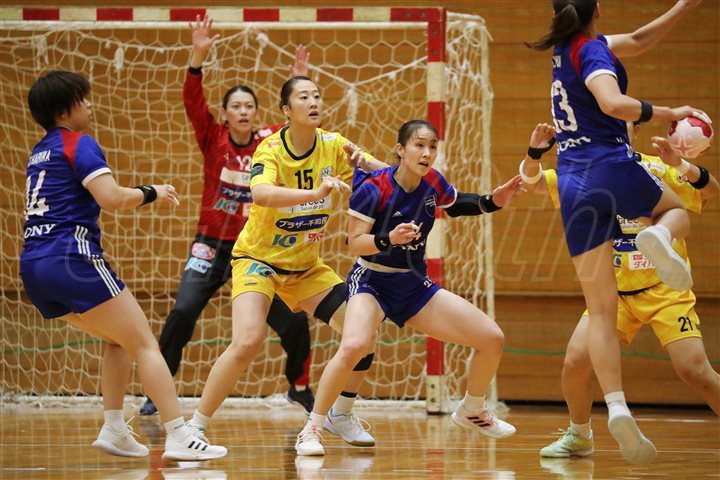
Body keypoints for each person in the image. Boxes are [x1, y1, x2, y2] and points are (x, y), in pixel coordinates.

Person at [525, 0, 706, 464]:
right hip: (608, 164)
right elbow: (611, 102)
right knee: (674, 211)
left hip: (573, 181)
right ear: (599, 8)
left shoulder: (566, 49)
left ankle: (617, 406)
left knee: (600, 312)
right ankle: (659, 237)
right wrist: (669, 110)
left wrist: (682, 7)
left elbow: (640, 40)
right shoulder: (591, 50)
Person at [19, 70, 226, 461]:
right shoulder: (78, 144)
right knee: (145, 342)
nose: (90, 104)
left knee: (118, 339)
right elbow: (110, 198)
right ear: (65, 109)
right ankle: (179, 434)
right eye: (83, 99)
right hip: (71, 258)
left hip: (33, 265)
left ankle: (114, 428)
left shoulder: (38, 153)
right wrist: (152, 192)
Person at [295, 119, 524, 456]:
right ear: (401, 150)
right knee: (355, 344)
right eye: (419, 145)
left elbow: (456, 203)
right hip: (371, 282)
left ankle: (472, 409)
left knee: (492, 338)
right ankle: (313, 428)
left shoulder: (433, 182)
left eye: (432, 146)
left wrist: (492, 201)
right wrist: (389, 238)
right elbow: (355, 243)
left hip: (414, 285)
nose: (427, 153)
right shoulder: (373, 189)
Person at [185, 74, 389, 449]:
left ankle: (341, 415)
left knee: (363, 334)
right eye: (304, 97)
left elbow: (385, 177)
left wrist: (378, 166)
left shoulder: (334, 145)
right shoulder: (270, 149)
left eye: (317, 96)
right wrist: (314, 192)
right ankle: (194, 427)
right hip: (258, 260)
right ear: (285, 110)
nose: (313, 102)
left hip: (306, 268)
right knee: (248, 341)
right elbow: (261, 193)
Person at [140, 14, 315, 417]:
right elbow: (192, 100)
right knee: (183, 311)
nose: (243, 111)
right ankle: (156, 391)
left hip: (257, 251)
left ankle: (299, 385)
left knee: (294, 320)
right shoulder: (211, 136)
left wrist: (299, 80)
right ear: (224, 114)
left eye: (249, 106)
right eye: (236, 106)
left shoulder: (270, 141)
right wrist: (197, 56)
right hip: (211, 246)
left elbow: (297, 124)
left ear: (257, 113)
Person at [521, 122, 719, 459]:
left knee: (695, 371)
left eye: (621, 124)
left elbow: (711, 191)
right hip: (614, 296)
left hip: (664, 291)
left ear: (634, 131)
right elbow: (535, 183)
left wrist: (682, 165)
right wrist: (534, 153)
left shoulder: (656, 169)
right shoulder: (584, 172)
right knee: (575, 362)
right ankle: (579, 435)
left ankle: (659, 239)